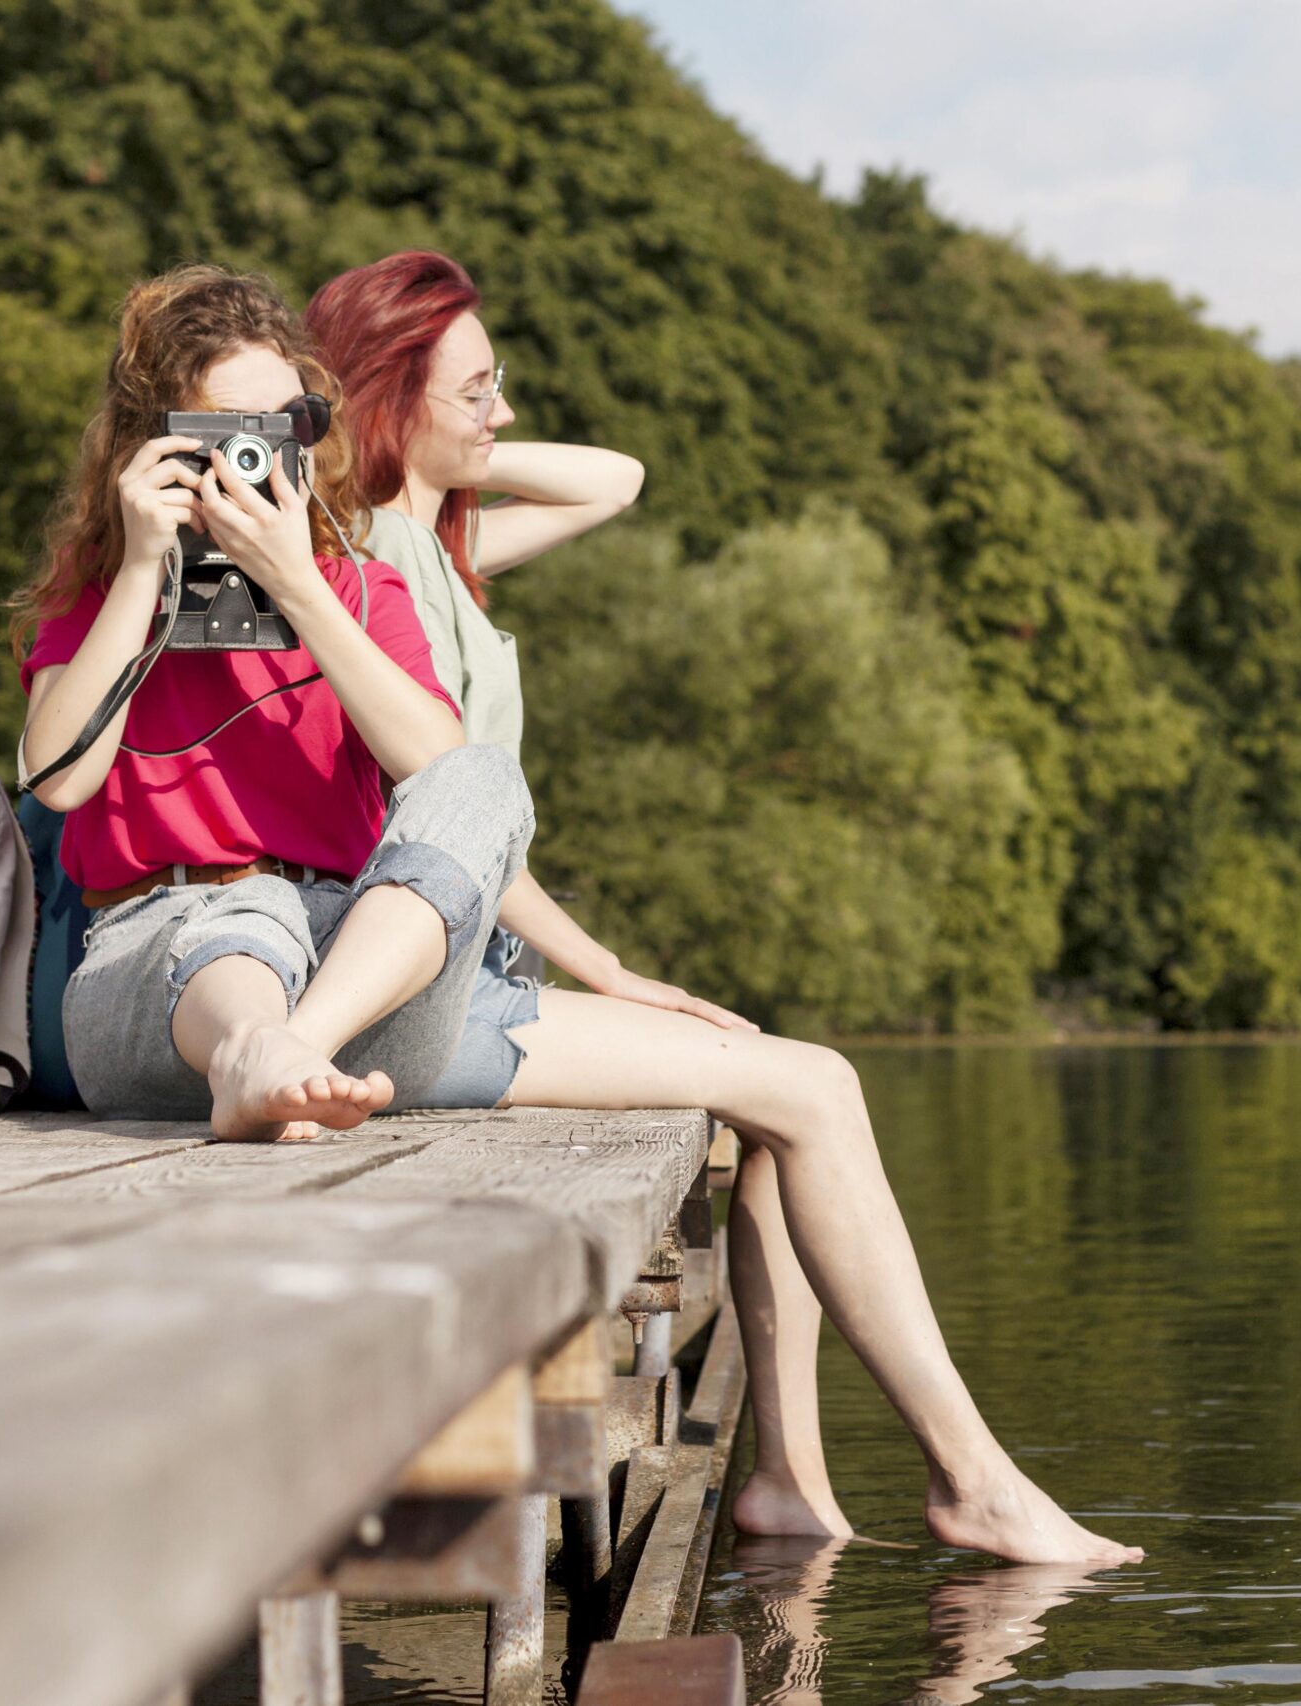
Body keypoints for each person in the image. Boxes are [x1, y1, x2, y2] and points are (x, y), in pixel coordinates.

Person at [306, 252, 1138, 1567]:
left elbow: (616, 480)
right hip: (436, 987)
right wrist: (614, 966)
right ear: (392, 397)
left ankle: (794, 1477)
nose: (507, 415)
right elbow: (453, 823)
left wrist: (439, 442)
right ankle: (970, 1480)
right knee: (814, 1083)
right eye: (480, 390)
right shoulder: (368, 574)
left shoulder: (433, 552)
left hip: (479, 974)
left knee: (777, 1080)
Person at [11, 263, 533, 1142]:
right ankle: (261, 1052)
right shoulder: (106, 595)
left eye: (287, 425)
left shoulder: (359, 591)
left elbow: (443, 776)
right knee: (251, 908)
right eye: (229, 433)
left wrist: (299, 586)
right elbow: (56, 779)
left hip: (342, 992)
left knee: (484, 776)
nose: (263, 457)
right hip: (165, 984)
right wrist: (144, 566)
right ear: (158, 444)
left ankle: (285, 1056)